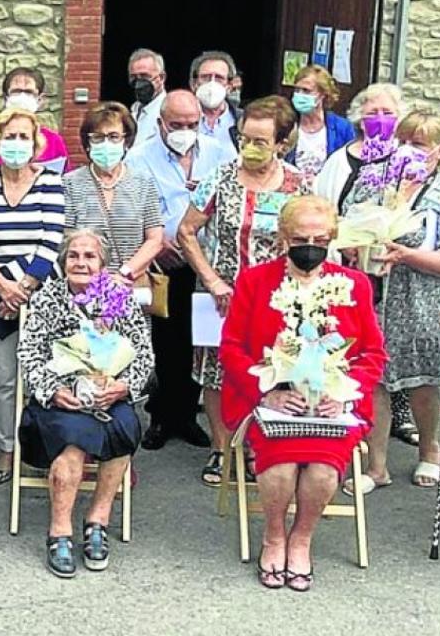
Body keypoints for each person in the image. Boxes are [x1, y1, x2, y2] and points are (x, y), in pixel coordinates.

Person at [220, 196, 386, 591]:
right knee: (281, 463)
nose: (309, 245)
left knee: (324, 467)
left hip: (332, 405)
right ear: (282, 238)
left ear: (331, 238)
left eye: (319, 238)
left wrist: (344, 395)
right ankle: (274, 535)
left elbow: (373, 353)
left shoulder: (355, 285)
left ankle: (302, 538)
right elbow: (231, 348)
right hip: (271, 400)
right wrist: (268, 392)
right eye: (299, 238)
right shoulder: (255, 280)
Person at [349, 110, 440, 494]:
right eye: (403, 141)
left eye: (418, 144)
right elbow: (348, 222)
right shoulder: (374, 179)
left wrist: (404, 256)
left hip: (424, 297)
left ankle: (430, 450)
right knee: (371, 377)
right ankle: (376, 466)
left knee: (424, 379)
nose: (407, 151)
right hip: (374, 292)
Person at [180, 97, 307, 486]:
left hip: (275, 297)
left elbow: (309, 238)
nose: (249, 148)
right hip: (222, 294)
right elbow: (187, 231)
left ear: (282, 144)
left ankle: (257, 447)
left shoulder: (297, 184)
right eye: (244, 139)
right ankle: (221, 449)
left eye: (260, 141)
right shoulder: (220, 177)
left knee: (269, 370)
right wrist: (212, 279)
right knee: (217, 372)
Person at [17, 230, 154, 577]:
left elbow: (144, 355)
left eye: (89, 256)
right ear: (63, 263)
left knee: (123, 426)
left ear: (103, 264)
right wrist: (52, 390)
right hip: (61, 398)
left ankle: (98, 521)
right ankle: (60, 530)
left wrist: (123, 387)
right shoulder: (48, 297)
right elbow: (29, 353)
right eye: (73, 256)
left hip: (108, 394)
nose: (81, 262)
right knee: (73, 444)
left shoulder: (117, 298)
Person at [126, 89, 237, 451]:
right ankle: (162, 417)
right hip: (165, 260)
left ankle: (188, 416)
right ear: (160, 123)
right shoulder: (140, 158)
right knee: (166, 340)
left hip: (208, 263)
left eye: (192, 124)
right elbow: (137, 203)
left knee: (199, 340)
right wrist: (158, 242)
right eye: (176, 125)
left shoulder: (221, 154)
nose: (184, 130)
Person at [0, 108, 68, 483]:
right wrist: (1, 285)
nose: (17, 144)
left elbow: (52, 238)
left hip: (40, 289)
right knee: (3, 377)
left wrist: (23, 288)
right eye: (11, 136)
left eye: (24, 137)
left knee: (46, 371)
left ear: (36, 143)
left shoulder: (51, 182)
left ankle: (46, 446)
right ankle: (7, 448)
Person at [62, 102, 163, 282]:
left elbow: (154, 239)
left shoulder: (143, 182)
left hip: (130, 283)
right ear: (88, 143)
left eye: (114, 136)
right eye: (98, 137)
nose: (106, 143)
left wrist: (124, 273)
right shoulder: (70, 183)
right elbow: (66, 239)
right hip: (83, 284)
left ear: (126, 141)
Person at [311, 82, 406, 215]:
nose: (380, 118)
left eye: (387, 112)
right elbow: (321, 202)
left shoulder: (405, 157)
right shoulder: (339, 160)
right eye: (373, 113)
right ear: (361, 121)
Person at [0, 67, 70, 180]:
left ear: (40, 99)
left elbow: (64, 180)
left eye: (29, 92)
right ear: (5, 97)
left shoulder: (53, 141)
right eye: (16, 91)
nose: (22, 97)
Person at [284, 64, 356, 185]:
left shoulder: (342, 128)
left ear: (323, 94)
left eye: (306, 91)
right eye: (297, 90)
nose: (299, 95)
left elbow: (350, 166)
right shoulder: (286, 124)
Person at [190, 51, 242, 146]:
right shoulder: (180, 119)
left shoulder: (243, 120)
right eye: (205, 77)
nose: (212, 83)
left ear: (229, 86)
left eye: (219, 78)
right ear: (194, 84)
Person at [128, 48, 167, 137]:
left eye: (145, 76)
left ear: (161, 77)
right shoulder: (133, 110)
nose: (138, 82)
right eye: (133, 77)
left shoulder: (169, 112)